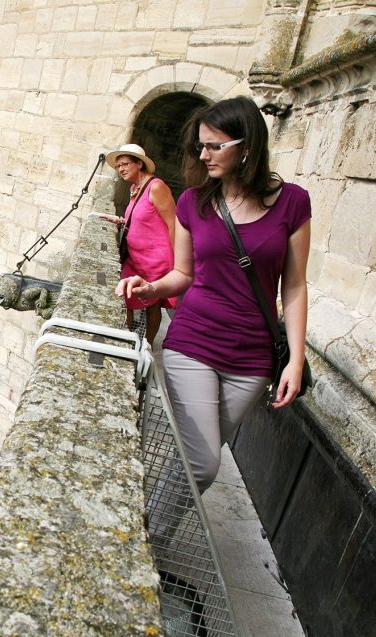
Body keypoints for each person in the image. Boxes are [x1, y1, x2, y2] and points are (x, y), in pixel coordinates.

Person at [116, 96, 311, 495]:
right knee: (203, 465)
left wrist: (295, 358)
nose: (203, 155)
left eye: (214, 146)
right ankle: (149, 537)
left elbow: (293, 285)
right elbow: (183, 273)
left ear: (248, 146)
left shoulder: (293, 202)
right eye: (200, 146)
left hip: (252, 359)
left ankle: (151, 535)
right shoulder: (193, 202)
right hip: (193, 343)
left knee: (189, 465)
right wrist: (150, 287)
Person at [98, 143, 178, 345]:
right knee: (126, 297)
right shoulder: (135, 188)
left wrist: (177, 262)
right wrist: (122, 221)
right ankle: (128, 341)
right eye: (118, 167)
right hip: (136, 257)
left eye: (125, 164)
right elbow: (143, 218)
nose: (121, 169)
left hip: (156, 259)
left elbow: (173, 223)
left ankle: (147, 345)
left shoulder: (156, 187)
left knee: (151, 303)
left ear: (139, 164)